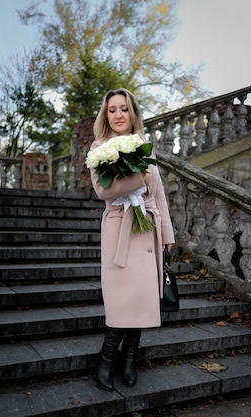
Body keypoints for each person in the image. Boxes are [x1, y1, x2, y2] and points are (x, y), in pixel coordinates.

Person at [88, 88, 175, 391]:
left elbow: (159, 195)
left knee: (140, 298)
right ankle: (106, 358)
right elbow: (104, 191)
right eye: (112, 110)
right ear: (106, 115)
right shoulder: (99, 148)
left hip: (147, 228)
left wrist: (167, 235)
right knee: (120, 299)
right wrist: (140, 178)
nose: (118, 115)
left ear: (133, 112)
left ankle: (129, 360)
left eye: (124, 109)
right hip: (118, 228)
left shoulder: (144, 146)